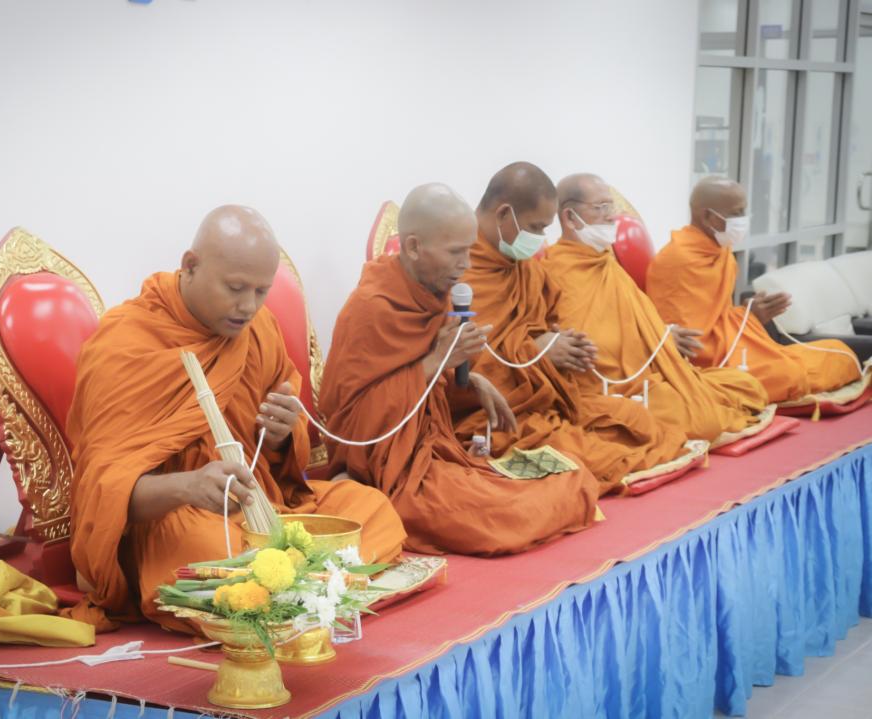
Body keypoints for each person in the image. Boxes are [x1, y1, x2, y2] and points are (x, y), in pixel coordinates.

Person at [66, 205, 407, 631]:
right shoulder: (126, 343)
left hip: (260, 509)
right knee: (212, 549)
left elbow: (282, 467)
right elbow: (102, 492)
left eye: (261, 291)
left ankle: (286, 585)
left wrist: (282, 434)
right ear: (191, 265)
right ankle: (308, 581)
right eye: (235, 288)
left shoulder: (258, 328)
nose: (248, 306)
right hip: (176, 520)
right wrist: (189, 486)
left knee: (369, 508)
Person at [319, 183, 600, 556]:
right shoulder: (371, 308)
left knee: (574, 475)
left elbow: (431, 388)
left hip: (436, 453)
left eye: (468, 250)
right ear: (414, 247)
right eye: (455, 252)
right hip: (388, 472)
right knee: (506, 517)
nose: (466, 264)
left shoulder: (436, 293)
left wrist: (470, 380)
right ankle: (364, 500)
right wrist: (437, 361)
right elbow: (353, 427)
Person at [453, 162, 688, 494]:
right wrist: (535, 351)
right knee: (588, 462)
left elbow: (541, 325)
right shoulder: (457, 271)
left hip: (544, 401)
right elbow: (456, 368)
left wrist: (558, 343)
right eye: (535, 227)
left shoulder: (527, 272)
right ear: (504, 214)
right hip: (494, 415)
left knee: (642, 424)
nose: (540, 239)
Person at [540, 174, 769, 442]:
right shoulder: (553, 273)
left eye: (611, 207)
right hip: (609, 390)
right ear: (569, 217)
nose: (612, 216)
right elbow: (591, 347)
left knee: (746, 385)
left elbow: (631, 322)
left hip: (647, 377)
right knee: (704, 420)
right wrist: (652, 342)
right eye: (601, 207)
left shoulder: (607, 264)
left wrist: (660, 335)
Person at [646, 176, 860, 403]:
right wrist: (740, 325)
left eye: (744, 211)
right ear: (708, 216)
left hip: (734, 349)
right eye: (736, 213)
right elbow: (685, 340)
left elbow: (718, 317)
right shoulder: (676, 261)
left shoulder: (720, 250)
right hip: (708, 365)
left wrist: (750, 315)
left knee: (839, 351)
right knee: (788, 374)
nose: (743, 219)